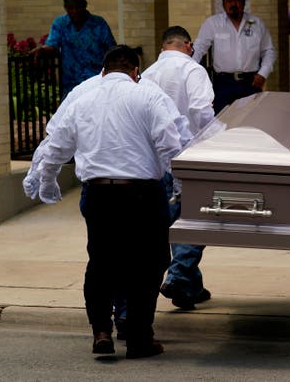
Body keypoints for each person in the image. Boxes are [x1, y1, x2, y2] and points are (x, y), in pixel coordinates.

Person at [34, 45, 184, 359]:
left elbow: (56, 146)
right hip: (142, 194)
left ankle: (101, 331)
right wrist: (182, 186)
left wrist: (47, 183)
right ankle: (139, 338)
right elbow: (170, 147)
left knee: (102, 262)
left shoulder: (82, 99)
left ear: (103, 72)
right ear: (135, 72)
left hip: (99, 194)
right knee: (149, 263)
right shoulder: (149, 96)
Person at [141, 26, 215, 310]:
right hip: (187, 155)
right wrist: (209, 140)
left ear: (163, 46)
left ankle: (190, 287)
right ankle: (178, 275)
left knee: (171, 223)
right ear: (188, 45)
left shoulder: (147, 74)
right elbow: (202, 110)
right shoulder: (192, 70)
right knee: (197, 222)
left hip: (155, 162)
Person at [192, 0, 277, 114]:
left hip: (251, 83)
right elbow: (199, 48)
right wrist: (190, 70)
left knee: (251, 121)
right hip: (223, 84)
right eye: (229, 1)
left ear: (243, 2)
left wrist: (263, 74)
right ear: (223, 4)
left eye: (237, 0)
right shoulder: (213, 24)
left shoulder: (257, 23)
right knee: (223, 122)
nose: (233, 4)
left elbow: (269, 51)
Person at [32, 0, 116, 98]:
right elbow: (53, 45)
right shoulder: (60, 24)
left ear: (85, 5)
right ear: (65, 8)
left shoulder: (99, 23)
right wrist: (42, 50)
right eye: (71, 8)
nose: (75, 11)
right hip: (71, 85)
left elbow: (112, 50)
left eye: (78, 7)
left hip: (96, 83)